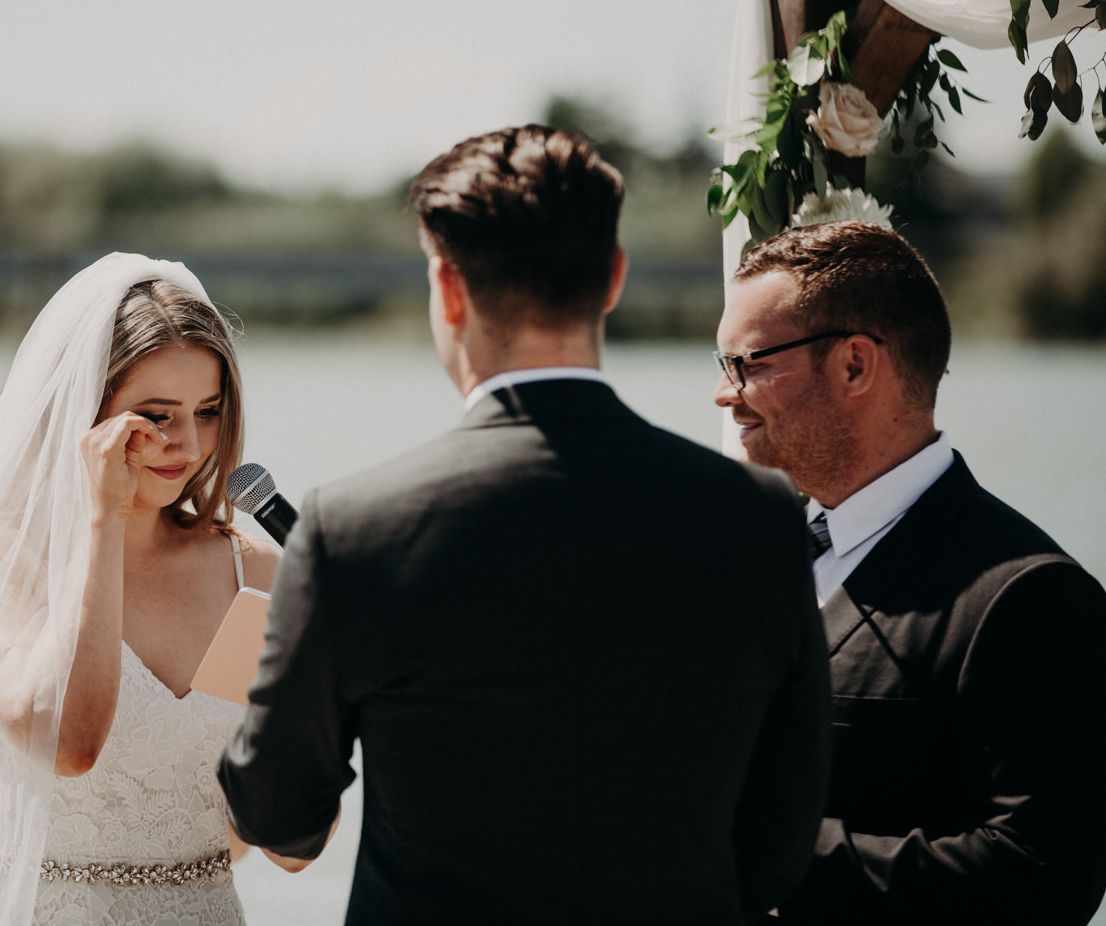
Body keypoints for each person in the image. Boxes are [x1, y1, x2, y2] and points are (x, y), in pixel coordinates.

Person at [218, 125, 831, 924]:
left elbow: (276, 813)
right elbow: (784, 839)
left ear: (446, 289)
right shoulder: (759, 519)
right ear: (612, 279)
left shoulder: (353, 531)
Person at [713, 219, 1106, 925]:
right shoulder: (758, 556)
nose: (726, 393)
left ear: (855, 366)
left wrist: (763, 851)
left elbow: (1043, 875)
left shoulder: (1027, 595)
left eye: (748, 364)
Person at [0, 253, 287, 926]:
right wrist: (102, 517)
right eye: (155, 414)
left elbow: (281, 844)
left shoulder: (253, 572)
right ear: (81, 412)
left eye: (208, 410)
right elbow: (69, 744)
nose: (186, 443)